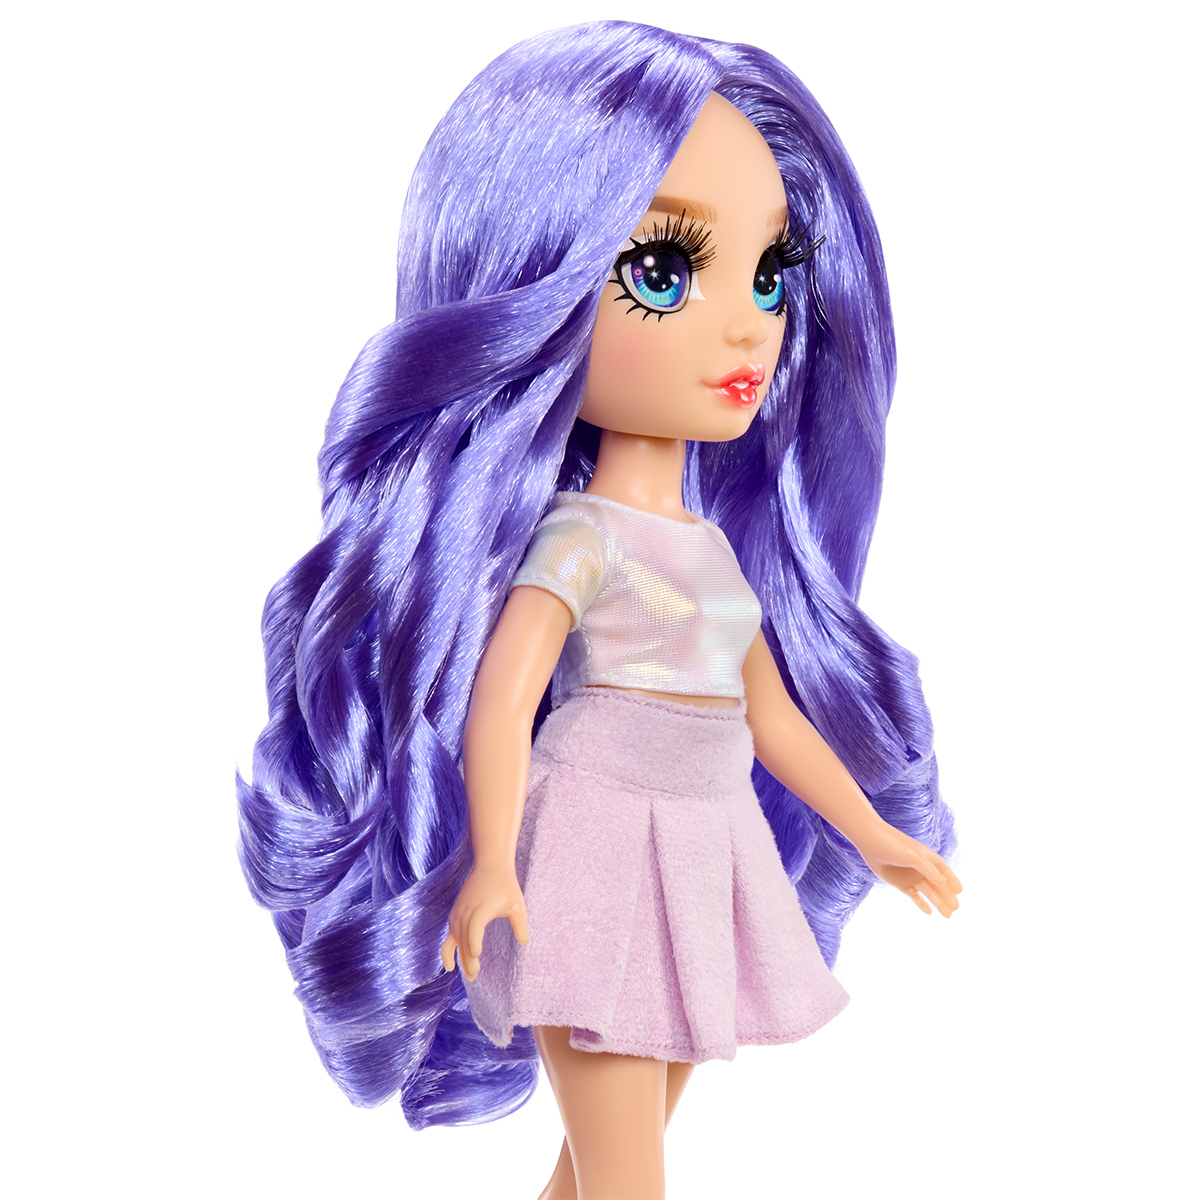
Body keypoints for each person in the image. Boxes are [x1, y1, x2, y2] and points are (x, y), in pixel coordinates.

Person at [239, 21, 960, 1200]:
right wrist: (493, 866)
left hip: (700, 849)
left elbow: (772, 720)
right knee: (629, 1178)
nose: (749, 322)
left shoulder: (711, 550)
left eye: (771, 273)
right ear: (537, 289)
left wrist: (873, 834)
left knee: (595, 1174)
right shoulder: (582, 540)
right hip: (594, 851)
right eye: (665, 270)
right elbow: (503, 702)